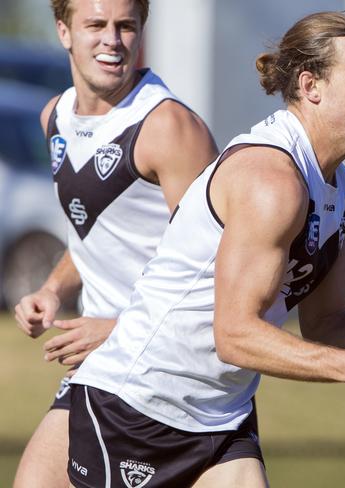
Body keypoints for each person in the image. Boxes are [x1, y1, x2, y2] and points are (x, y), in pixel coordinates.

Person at [65, 11, 345, 488]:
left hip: (221, 418)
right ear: (311, 86)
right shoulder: (271, 181)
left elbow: (325, 321)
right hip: (138, 410)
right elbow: (235, 334)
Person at [12, 1, 218, 487]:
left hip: (173, 380)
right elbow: (93, 232)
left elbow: (222, 269)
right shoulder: (55, 118)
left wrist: (120, 328)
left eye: (126, 26)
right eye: (96, 25)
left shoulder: (169, 128)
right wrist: (52, 288)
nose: (113, 39)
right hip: (104, 373)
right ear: (63, 31)